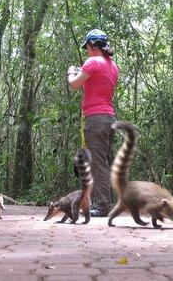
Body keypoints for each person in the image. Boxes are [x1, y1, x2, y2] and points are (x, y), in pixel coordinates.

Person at [67, 29, 118, 217]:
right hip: (109, 118)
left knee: (98, 163)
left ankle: (103, 205)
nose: (86, 51)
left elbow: (74, 84)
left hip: (96, 119)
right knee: (102, 161)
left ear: (93, 45)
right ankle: (99, 202)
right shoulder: (112, 65)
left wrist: (71, 72)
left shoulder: (92, 61)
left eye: (87, 47)